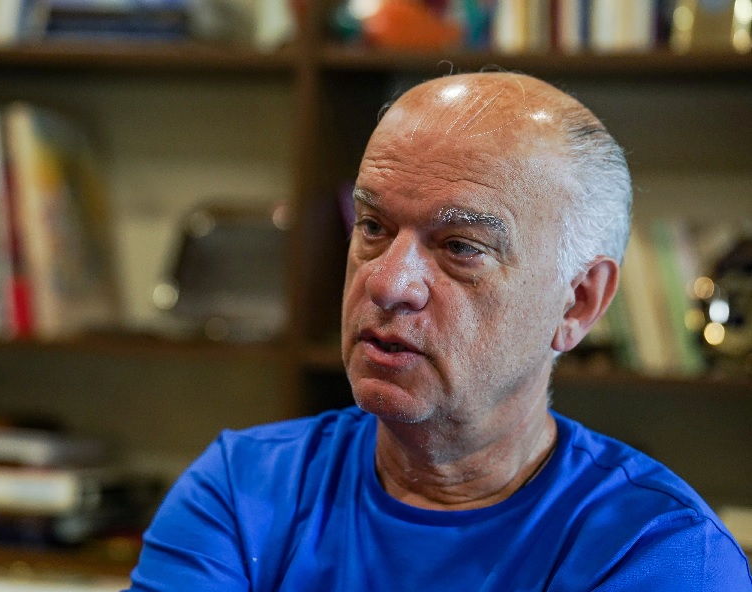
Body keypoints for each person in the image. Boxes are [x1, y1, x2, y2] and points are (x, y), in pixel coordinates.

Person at [125, 72, 752, 591]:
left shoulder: (660, 552)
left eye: (460, 246)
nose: (387, 283)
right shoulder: (244, 489)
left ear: (578, 303)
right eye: (373, 227)